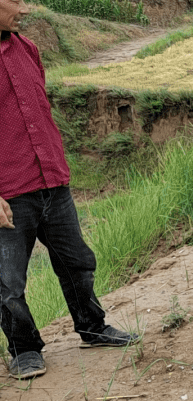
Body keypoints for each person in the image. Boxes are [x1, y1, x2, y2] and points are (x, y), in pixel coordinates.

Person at [1, 0, 140, 380]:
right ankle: (24, 349)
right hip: (8, 195)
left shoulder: (27, 48)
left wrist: (56, 167)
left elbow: (38, 109)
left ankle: (92, 327)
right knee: (8, 282)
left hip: (52, 181)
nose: (24, 9)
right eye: (14, 1)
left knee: (77, 262)